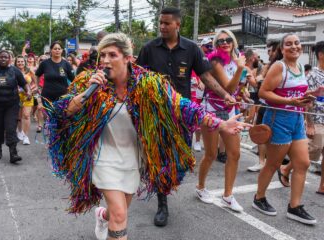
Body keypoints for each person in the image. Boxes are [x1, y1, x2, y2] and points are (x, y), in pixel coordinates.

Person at [46, 32, 249, 240]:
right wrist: (87, 93)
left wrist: (220, 123)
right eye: (103, 55)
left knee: (118, 211)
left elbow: (183, 106)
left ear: (128, 58)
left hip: (133, 158)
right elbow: (64, 111)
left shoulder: (149, 84)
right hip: (102, 157)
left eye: (112, 55)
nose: (105, 60)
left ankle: (102, 215)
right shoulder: (89, 82)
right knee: (120, 214)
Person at [136, 7, 234, 227]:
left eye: (167, 23)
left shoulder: (191, 48)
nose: (162, 26)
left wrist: (225, 94)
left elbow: (206, 77)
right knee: (161, 157)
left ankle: (161, 178)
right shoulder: (149, 48)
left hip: (183, 114)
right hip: (156, 115)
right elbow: (137, 79)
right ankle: (162, 204)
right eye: (160, 22)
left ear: (177, 25)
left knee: (180, 158)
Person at [253, 33, 316, 225]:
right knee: (273, 163)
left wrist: (307, 99)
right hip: (279, 119)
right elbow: (263, 92)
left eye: (297, 43)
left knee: (303, 163)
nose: (294, 47)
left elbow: (298, 94)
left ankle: (294, 207)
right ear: (282, 48)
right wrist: (290, 100)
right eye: (289, 44)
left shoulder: (298, 66)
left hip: (297, 119)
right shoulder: (279, 66)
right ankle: (259, 198)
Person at [196, 29, 246, 212]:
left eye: (228, 40)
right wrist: (240, 69)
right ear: (216, 45)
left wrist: (244, 93)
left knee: (234, 153)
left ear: (233, 42)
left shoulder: (236, 59)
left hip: (230, 111)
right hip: (212, 111)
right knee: (211, 154)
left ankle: (228, 195)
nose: (224, 43)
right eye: (220, 41)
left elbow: (236, 88)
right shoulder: (215, 61)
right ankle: (200, 187)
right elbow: (228, 87)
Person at [247, 40, 281, 172]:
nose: (269, 54)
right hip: (264, 104)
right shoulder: (267, 66)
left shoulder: (281, 66)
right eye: (268, 51)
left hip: (277, 107)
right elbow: (258, 83)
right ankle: (262, 162)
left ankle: (274, 163)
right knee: (261, 133)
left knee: (276, 136)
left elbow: (260, 82)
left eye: (271, 51)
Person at [306, 41, 324, 194]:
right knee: (313, 151)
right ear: (321, 55)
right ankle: (287, 168)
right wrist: (309, 123)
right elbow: (308, 101)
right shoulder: (313, 75)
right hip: (317, 118)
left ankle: (322, 185)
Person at [35, 41, 74, 107]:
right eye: (55, 49)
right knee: (48, 117)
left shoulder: (66, 64)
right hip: (47, 97)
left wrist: (71, 91)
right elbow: (37, 75)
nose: (57, 50)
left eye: (59, 49)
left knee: (60, 117)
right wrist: (38, 87)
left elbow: (74, 79)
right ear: (51, 50)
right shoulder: (45, 63)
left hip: (63, 97)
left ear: (62, 50)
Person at [15, 56, 36, 145]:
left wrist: (31, 90)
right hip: (16, 96)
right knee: (18, 117)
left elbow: (35, 83)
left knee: (26, 115)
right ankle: (20, 131)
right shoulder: (13, 71)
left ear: (25, 62)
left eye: (22, 61)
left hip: (28, 96)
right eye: (18, 62)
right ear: (15, 63)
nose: (20, 63)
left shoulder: (29, 71)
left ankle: (26, 136)